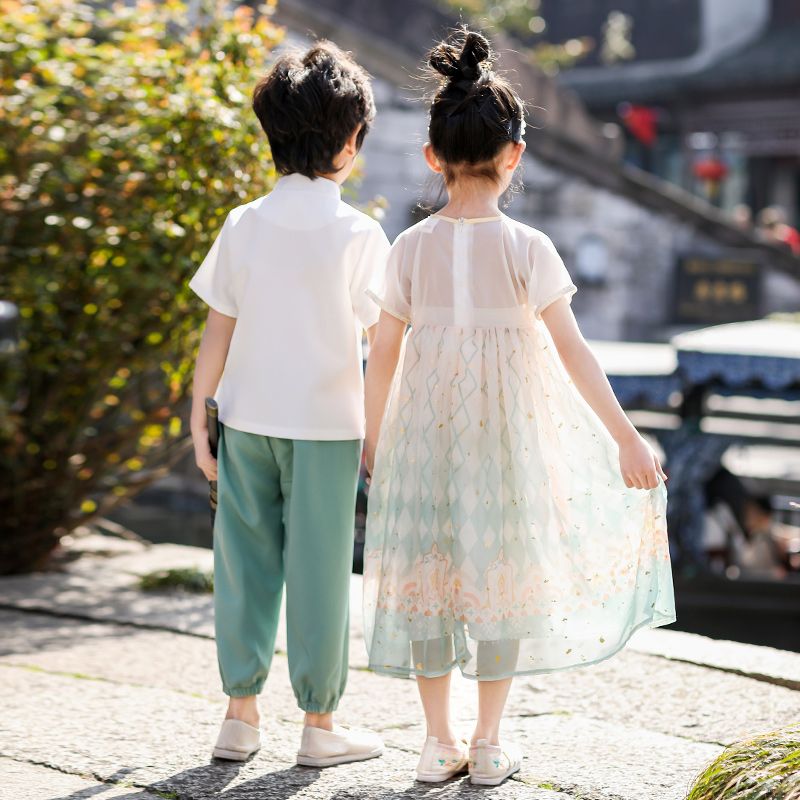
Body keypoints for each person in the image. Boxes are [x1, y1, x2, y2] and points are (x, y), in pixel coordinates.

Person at [362, 29, 676, 786]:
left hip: (424, 438)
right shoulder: (529, 246)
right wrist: (628, 439)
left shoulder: (407, 248)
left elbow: (383, 356)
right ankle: (491, 739)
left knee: (429, 582)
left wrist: (375, 443)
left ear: (432, 157)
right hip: (509, 440)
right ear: (516, 156)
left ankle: (437, 740)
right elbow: (574, 353)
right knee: (500, 578)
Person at [189, 41, 388, 765]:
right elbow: (380, 344)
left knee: (242, 565)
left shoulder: (244, 223)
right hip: (330, 429)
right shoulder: (361, 234)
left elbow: (218, 329)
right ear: (350, 141)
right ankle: (319, 727)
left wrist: (197, 419)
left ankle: (239, 718)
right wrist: (380, 432)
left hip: (242, 421)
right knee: (321, 572)